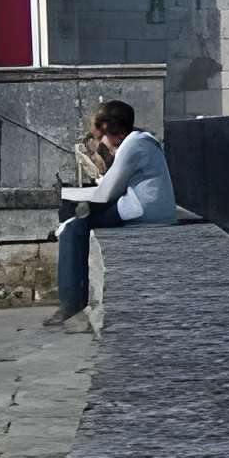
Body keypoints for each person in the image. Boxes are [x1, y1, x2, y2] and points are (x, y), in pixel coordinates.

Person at [50, 99, 176, 324]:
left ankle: (70, 303)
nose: (101, 145)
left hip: (142, 209)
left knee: (74, 226)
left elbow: (106, 193)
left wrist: (66, 195)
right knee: (77, 217)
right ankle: (62, 232)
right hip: (147, 206)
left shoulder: (133, 146)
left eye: (101, 138)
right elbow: (110, 186)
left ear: (113, 132)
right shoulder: (141, 141)